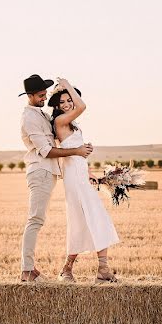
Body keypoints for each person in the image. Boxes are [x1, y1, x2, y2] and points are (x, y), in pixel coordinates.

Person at [18, 74, 93, 282]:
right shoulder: (30, 118)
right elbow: (46, 151)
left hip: (48, 173)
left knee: (37, 219)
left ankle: (29, 268)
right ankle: (26, 271)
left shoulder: (39, 114)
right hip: (40, 171)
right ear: (30, 95)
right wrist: (76, 151)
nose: (44, 97)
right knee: (35, 219)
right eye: (40, 95)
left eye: (45, 94)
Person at [49, 77, 119, 283]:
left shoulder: (74, 125)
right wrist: (67, 84)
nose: (67, 104)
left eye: (68, 100)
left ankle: (100, 269)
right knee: (83, 220)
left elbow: (76, 154)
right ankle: (69, 270)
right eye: (62, 102)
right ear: (57, 106)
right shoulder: (59, 122)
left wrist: (88, 171)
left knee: (96, 219)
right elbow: (83, 105)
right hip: (73, 180)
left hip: (81, 175)